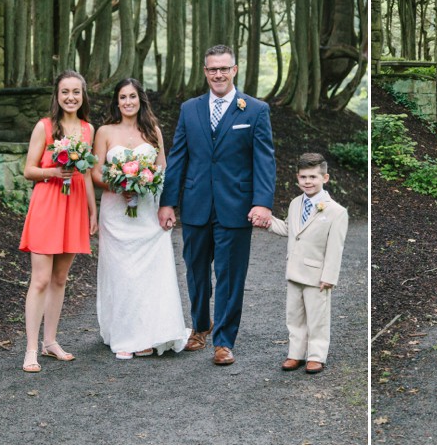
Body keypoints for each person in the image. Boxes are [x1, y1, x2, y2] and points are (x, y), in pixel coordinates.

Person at [158, 44, 276, 366]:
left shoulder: (254, 110)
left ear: (234, 70)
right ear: (205, 71)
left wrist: (262, 203)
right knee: (196, 272)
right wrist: (168, 202)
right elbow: (179, 157)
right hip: (196, 204)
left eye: (224, 68)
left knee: (229, 275)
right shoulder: (189, 109)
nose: (219, 74)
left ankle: (224, 341)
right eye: (213, 69)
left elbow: (263, 161)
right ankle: (199, 327)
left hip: (235, 206)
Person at [92, 79, 190, 359]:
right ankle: (125, 335)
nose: (127, 102)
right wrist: (119, 186)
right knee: (121, 271)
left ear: (140, 100)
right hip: (115, 212)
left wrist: (163, 203)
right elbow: (96, 173)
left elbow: (163, 170)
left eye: (132, 96)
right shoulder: (105, 131)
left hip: (147, 209)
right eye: (122, 97)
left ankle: (152, 332)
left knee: (149, 270)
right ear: (116, 101)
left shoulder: (153, 131)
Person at [19, 71, 98, 373]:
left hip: (74, 204)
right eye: (65, 92)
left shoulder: (88, 129)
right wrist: (53, 172)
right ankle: (30, 349)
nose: (71, 97)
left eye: (76, 92)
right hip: (48, 203)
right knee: (40, 279)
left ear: (83, 95)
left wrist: (93, 211)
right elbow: (28, 169)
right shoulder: (45, 127)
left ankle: (50, 342)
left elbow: (87, 173)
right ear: (57, 95)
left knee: (60, 279)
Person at [259, 153, 348, 374]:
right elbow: (290, 230)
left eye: (313, 177)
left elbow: (335, 248)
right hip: (294, 270)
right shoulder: (295, 204)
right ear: (297, 179)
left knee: (317, 317)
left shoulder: (336, 211)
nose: (307, 181)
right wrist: (267, 222)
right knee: (294, 316)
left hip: (317, 275)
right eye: (303, 177)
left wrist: (329, 276)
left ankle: (316, 355)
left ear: (325, 178)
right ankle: (296, 353)